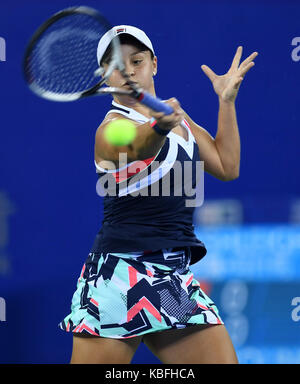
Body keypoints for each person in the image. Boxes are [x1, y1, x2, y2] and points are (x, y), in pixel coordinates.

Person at [59, 25, 258, 364]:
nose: (128, 71)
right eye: (116, 66)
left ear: (154, 64)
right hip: (119, 276)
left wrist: (226, 102)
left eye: (136, 61)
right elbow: (138, 145)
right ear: (106, 77)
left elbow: (227, 166)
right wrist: (160, 125)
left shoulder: (182, 120)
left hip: (171, 275)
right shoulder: (112, 127)